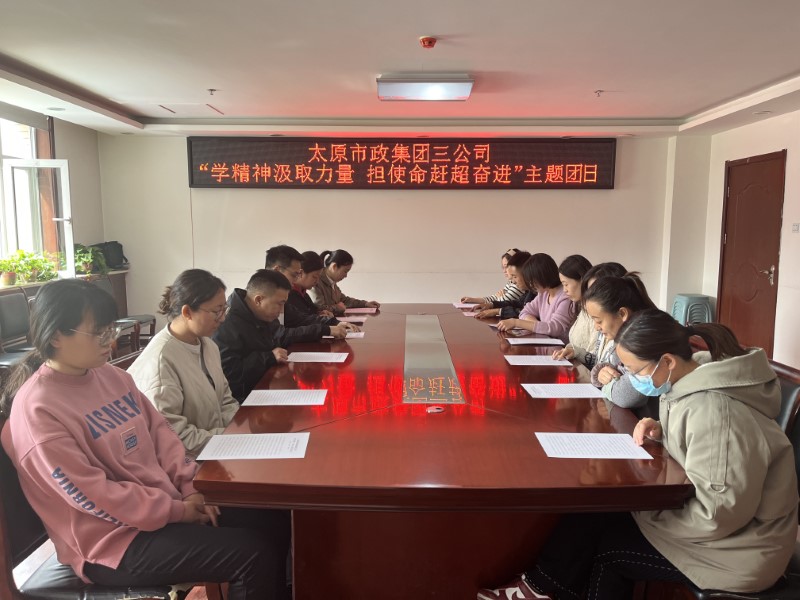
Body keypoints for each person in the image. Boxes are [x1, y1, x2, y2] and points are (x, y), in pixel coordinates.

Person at [478, 309, 798, 600]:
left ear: (667, 361)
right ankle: (541, 588)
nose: (631, 379)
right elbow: (708, 448)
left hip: (740, 550)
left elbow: (717, 515)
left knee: (607, 547)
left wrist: (643, 512)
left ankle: (541, 588)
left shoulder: (716, 411)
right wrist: (661, 429)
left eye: (635, 371)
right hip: (718, 526)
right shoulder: (687, 381)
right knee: (594, 510)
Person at [0, 279, 283, 600]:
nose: (111, 341)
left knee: (271, 514)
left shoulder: (112, 376)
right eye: (99, 333)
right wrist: (178, 511)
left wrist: (191, 488)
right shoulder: (38, 409)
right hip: (111, 543)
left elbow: (162, 436)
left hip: (162, 510)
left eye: (111, 329)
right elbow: (94, 496)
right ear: (55, 336)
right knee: (252, 555)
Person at [128, 269, 240, 459]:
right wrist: (231, 439)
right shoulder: (161, 361)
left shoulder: (208, 345)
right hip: (187, 463)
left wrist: (240, 429)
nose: (222, 318)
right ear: (187, 312)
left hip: (217, 448)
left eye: (224, 309)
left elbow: (226, 400)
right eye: (216, 311)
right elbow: (173, 435)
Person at [213, 269, 349, 401]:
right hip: (242, 400)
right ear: (258, 299)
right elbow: (229, 373)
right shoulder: (227, 323)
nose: (281, 310)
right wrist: (269, 357)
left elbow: (277, 337)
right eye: (280, 304)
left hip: (264, 386)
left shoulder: (261, 313)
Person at [584, 273, 657, 415]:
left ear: (622, 314)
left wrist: (604, 385)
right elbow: (608, 368)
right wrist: (600, 373)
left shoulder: (644, 340)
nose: (596, 327)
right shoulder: (621, 338)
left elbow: (626, 396)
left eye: (599, 321)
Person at [553, 260, 625, 368]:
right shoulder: (603, 325)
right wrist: (577, 352)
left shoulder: (630, 339)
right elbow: (598, 362)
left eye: (595, 291)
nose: (589, 296)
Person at [496, 253, 576, 343]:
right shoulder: (544, 294)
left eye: (532, 280)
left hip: (561, 347)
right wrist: (538, 326)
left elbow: (554, 328)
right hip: (546, 344)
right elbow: (524, 312)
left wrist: (516, 322)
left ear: (542, 276)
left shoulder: (566, 296)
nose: (530, 284)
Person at [285, 250, 359, 332]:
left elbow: (310, 315)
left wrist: (321, 314)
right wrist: (330, 325)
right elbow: (301, 321)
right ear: (301, 273)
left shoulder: (304, 294)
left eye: (318, 277)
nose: (317, 281)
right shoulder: (289, 295)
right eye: (314, 277)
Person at [309, 249, 379, 316]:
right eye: (345, 271)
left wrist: (365, 304)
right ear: (334, 266)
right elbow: (319, 309)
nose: (346, 276)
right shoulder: (315, 282)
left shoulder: (332, 283)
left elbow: (345, 300)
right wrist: (337, 308)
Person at [473, 251, 534, 319]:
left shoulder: (537, 294)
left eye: (515, 276)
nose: (513, 281)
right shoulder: (529, 292)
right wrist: (492, 305)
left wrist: (498, 311)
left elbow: (523, 312)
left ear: (527, 274)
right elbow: (517, 303)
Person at [461, 248, 526, 306]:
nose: (504, 271)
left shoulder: (518, 284)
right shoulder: (511, 282)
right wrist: (473, 300)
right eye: (503, 267)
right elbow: (494, 298)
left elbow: (502, 302)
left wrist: (500, 297)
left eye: (506, 267)